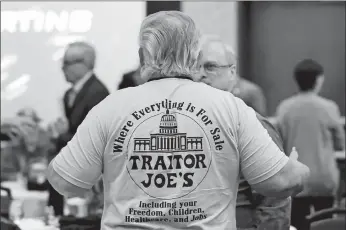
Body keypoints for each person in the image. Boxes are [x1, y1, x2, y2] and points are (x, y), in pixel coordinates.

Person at [47, 11, 309, 229]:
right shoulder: (230, 107)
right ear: (195, 58)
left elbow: (65, 182)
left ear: (141, 59)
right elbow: (281, 183)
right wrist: (298, 168)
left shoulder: (111, 107)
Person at [198, 35, 292, 229]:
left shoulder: (255, 125)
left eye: (210, 66)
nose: (201, 74)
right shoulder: (188, 124)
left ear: (232, 72)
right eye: (194, 67)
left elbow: (274, 203)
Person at [276, 59, 345, 230]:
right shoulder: (329, 108)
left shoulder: (284, 108)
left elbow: (278, 143)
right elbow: (340, 143)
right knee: (326, 222)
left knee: (298, 224)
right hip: (324, 180)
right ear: (319, 80)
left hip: (296, 180)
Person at [48, 41, 109, 216]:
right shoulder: (70, 93)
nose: (62, 68)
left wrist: (62, 135)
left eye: (67, 63)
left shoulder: (97, 93)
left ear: (85, 64)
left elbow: (93, 142)